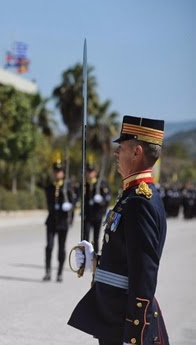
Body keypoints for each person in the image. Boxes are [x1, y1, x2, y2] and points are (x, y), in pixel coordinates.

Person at [68, 115, 169, 345]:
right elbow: (125, 259)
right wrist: (96, 260)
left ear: (137, 152)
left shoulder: (140, 202)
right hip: (115, 318)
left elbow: (143, 275)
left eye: (121, 147)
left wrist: (134, 335)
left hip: (126, 325)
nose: (116, 153)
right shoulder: (131, 197)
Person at [43, 158, 74, 282]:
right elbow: (49, 201)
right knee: (49, 246)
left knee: (61, 248)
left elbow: (73, 201)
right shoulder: (49, 187)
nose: (57, 173)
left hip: (63, 222)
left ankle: (60, 272)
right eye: (55, 171)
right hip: (51, 220)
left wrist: (69, 203)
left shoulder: (68, 187)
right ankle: (48, 271)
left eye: (59, 171)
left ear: (63, 173)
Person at [83, 163, 111, 253]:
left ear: (95, 173)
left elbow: (107, 197)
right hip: (87, 214)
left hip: (97, 214)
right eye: (88, 172)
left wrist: (102, 202)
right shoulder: (85, 184)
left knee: (96, 237)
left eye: (92, 172)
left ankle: (94, 258)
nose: (90, 174)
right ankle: (85, 257)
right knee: (85, 237)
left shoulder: (101, 183)